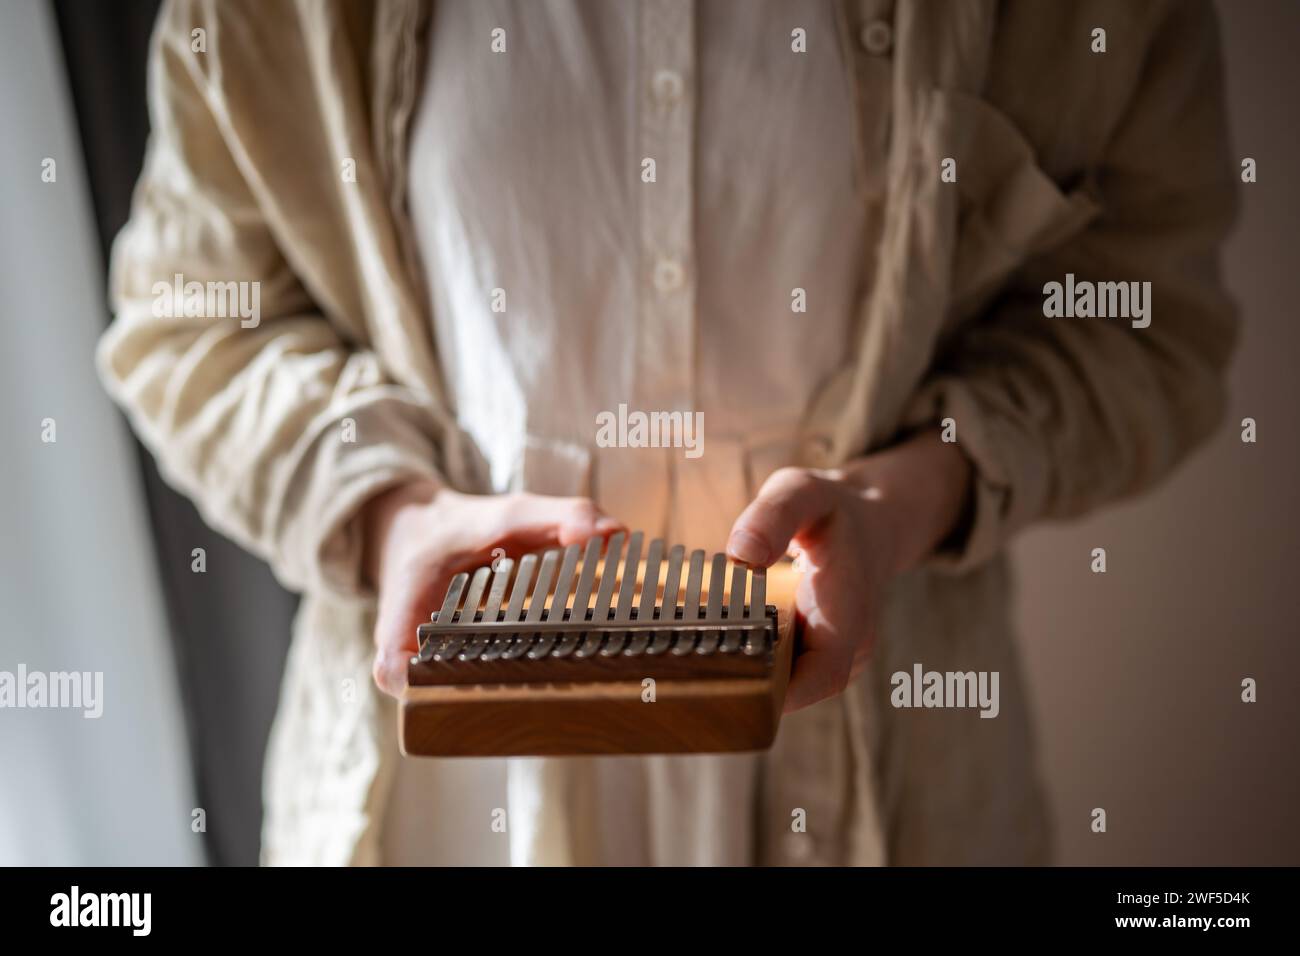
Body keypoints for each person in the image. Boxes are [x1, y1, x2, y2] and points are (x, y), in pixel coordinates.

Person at [99, 0, 1238, 865]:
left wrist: (896, 505)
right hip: (453, 800)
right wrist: (395, 514)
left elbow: (1150, 319)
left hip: (882, 767)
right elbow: (188, 318)